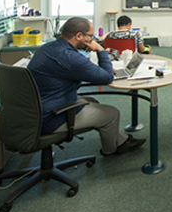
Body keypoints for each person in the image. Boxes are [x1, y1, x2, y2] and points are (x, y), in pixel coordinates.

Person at [27, 17, 145, 156]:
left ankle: (120, 140)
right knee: (112, 113)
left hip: (35, 109)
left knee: (93, 102)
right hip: (51, 117)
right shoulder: (70, 57)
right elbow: (107, 77)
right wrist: (101, 50)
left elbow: (73, 69)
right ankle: (111, 150)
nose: (92, 40)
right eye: (90, 36)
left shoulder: (49, 47)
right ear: (78, 36)